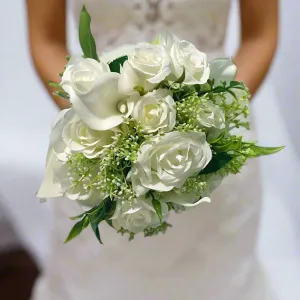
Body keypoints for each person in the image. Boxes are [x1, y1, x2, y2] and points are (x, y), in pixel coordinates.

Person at [26, 0, 279, 299]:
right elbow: (46, 41)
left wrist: (207, 117)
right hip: (97, 147)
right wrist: (103, 122)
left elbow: (260, 36)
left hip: (212, 142)